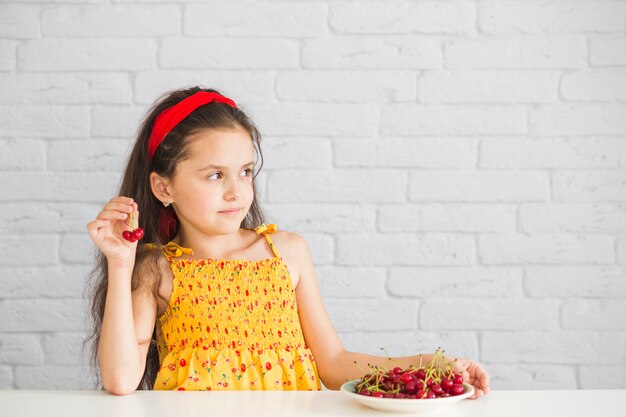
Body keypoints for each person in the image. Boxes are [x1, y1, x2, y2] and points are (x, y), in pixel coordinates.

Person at [85, 87, 490, 397]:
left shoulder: (287, 253)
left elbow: (333, 364)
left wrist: (428, 365)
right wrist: (122, 264)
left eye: (245, 172)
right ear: (163, 186)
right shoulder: (157, 269)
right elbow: (121, 380)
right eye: (214, 175)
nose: (236, 192)